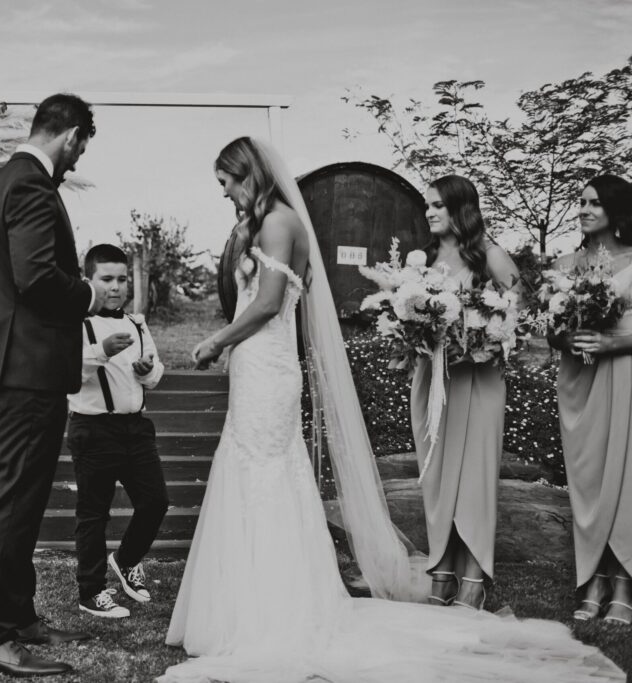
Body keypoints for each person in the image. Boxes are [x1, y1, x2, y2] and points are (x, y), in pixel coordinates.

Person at [158, 137, 622, 682]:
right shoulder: (267, 225)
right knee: (260, 471)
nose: (226, 194)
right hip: (272, 366)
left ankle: (280, 602)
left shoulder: (280, 224)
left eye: (228, 182)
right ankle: (260, 593)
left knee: (267, 473)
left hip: (283, 364)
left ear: (247, 174)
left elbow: (266, 303)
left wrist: (218, 341)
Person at [0, 93, 105, 677]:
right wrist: (92, 295)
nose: (75, 161)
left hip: (16, 367)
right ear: (71, 135)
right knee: (17, 502)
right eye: (80, 148)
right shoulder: (30, 185)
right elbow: (37, 278)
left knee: (22, 497)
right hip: (27, 371)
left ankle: (20, 616)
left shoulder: (4, 182)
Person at [411, 175, 522, 610]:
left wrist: (486, 338)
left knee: (474, 475)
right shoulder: (425, 259)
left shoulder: (489, 254)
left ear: (462, 209)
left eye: (437, 205)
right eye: (427, 207)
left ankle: (472, 578)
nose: (429, 213)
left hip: (479, 380)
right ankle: (442, 569)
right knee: (437, 475)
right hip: (433, 380)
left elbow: (520, 309)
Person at [67, 244, 168, 619]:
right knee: (93, 513)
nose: (116, 287)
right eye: (106, 279)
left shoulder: (138, 323)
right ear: (88, 281)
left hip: (136, 428)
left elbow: (156, 374)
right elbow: (69, 377)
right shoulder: (79, 324)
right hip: (93, 428)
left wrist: (147, 370)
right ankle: (91, 591)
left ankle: (126, 560)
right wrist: (103, 352)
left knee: (155, 501)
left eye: (122, 279)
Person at [550, 174, 632, 625]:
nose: (583, 209)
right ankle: (593, 579)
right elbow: (550, 332)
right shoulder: (564, 265)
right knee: (590, 479)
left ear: (616, 211)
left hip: (625, 373)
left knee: (626, 479)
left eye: (594, 202)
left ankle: (623, 584)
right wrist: (569, 338)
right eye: (580, 201)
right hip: (580, 378)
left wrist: (613, 344)